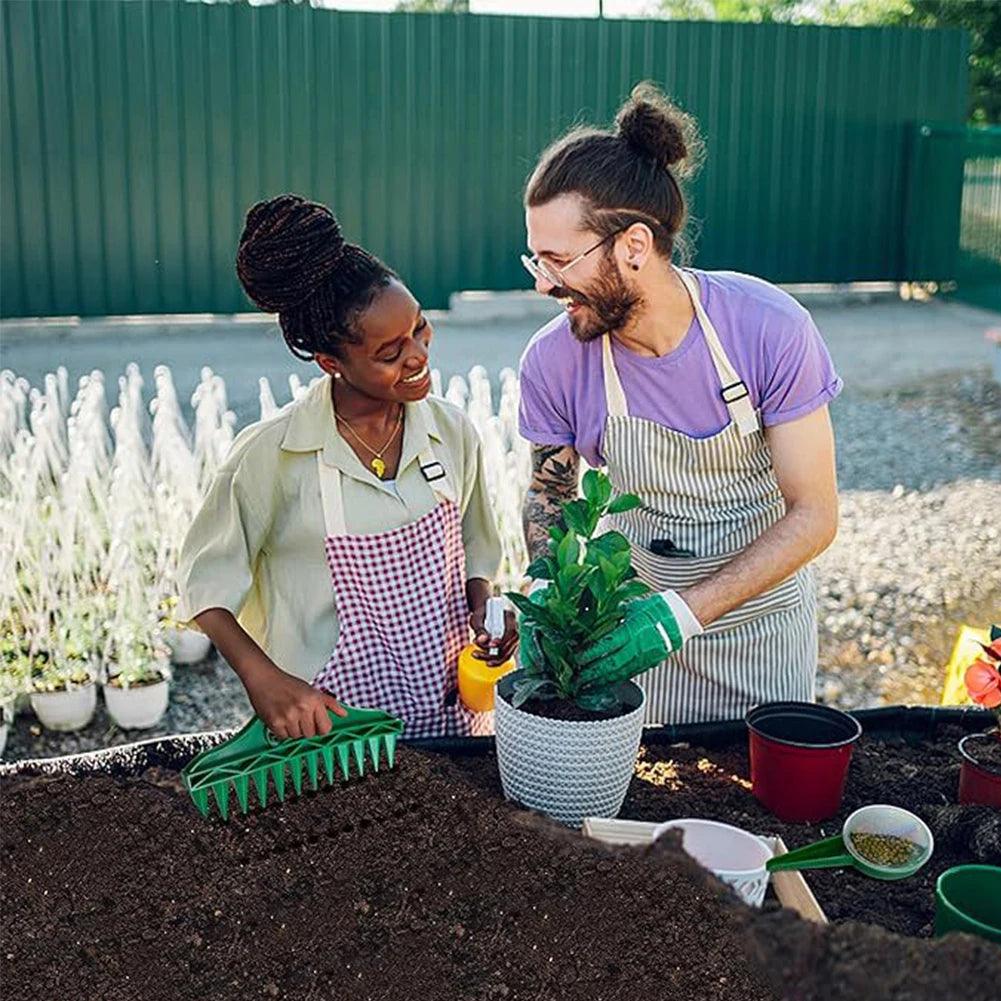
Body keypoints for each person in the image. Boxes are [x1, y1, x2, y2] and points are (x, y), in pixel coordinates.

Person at [518, 85, 841, 724]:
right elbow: (549, 492)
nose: (541, 283)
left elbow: (815, 515)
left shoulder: (767, 328)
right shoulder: (553, 360)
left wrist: (683, 613)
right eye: (536, 258)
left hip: (762, 634)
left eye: (558, 261)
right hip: (632, 642)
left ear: (633, 246)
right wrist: (546, 587)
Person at [176, 194, 516, 739]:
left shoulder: (450, 433)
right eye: (390, 353)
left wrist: (488, 611)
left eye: (420, 329)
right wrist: (264, 680)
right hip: (330, 733)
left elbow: (478, 548)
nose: (419, 355)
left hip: (449, 719)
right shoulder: (273, 454)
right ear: (332, 364)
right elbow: (205, 585)